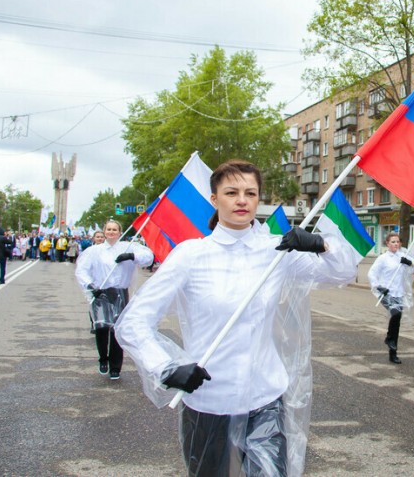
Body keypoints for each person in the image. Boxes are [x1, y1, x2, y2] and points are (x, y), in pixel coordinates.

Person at [115, 159, 357, 477]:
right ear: (214, 199)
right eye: (231, 192)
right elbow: (133, 322)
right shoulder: (191, 256)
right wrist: (166, 366)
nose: (242, 200)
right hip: (208, 400)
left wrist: (322, 245)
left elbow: (343, 272)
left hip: (265, 396)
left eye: (250, 193)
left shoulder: (277, 252)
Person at [75, 220, 153, 380]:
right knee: (102, 328)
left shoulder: (128, 246)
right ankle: (103, 358)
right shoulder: (93, 251)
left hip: (120, 292)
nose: (111, 232)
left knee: (117, 330)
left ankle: (115, 367)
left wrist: (131, 256)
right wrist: (90, 285)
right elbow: (82, 270)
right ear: (104, 231)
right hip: (100, 292)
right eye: (108, 229)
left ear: (119, 232)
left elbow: (149, 257)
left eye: (114, 229)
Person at [368, 232, 414, 364]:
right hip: (386, 292)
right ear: (387, 243)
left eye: (398, 242)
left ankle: (393, 352)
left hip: (399, 293)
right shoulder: (383, 258)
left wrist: (409, 262)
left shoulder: (402, 256)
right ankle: (389, 338)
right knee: (396, 313)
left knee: (396, 321)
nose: (396, 244)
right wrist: (378, 286)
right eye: (393, 242)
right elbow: (372, 273)